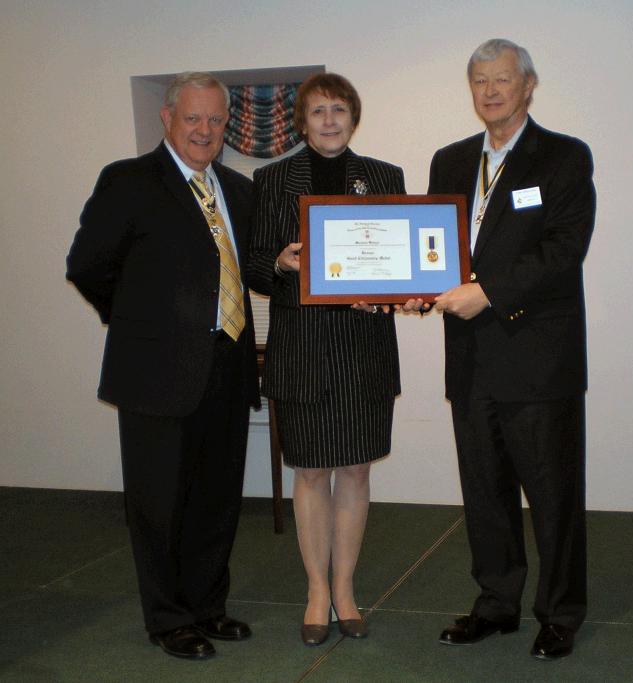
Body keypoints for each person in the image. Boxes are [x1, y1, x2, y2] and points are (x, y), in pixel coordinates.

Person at [66, 72, 260, 661]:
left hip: (227, 368)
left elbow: (248, 270)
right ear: (167, 118)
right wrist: (137, 325)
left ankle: (207, 605)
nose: (204, 130)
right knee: (158, 504)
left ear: (228, 125)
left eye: (216, 120)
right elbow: (88, 265)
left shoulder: (238, 188)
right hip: (155, 373)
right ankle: (168, 618)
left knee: (217, 498)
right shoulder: (127, 181)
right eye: (193, 118)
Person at [425, 39, 595, 659]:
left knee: (552, 496)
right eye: (479, 81)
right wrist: (411, 289)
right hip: (469, 357)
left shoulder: (563, 157)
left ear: (528, 86)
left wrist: (488, 293)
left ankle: (559, 613)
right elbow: (434, 251)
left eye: (501, 79)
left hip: (537, 356)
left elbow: (562, 250)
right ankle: (496, 604)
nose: (490, 91)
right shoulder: (449, 161)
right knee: (485, 492)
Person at [247, 73, 404, 646]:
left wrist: (399, 286)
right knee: (311, 471)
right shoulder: (271, 179)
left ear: (353, 116)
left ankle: (346, 590)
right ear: (302, 121)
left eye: (339, 109)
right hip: (303, 349)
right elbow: (253, 265)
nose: (330, 120)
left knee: (356, 469)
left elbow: (397, 261)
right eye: (318, 111)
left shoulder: (385, 177)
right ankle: (317, 590)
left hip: (363, 349)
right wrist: (282, 264)